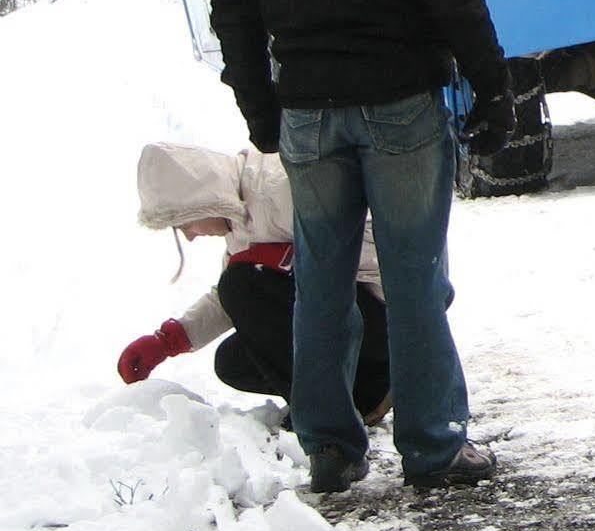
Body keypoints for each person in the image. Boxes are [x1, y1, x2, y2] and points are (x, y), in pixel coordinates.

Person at [211, 0, 513, 496]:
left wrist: (258, 106)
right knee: (413, 274)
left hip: (308, 108)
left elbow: (234, 8)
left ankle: (332, 444)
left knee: (320, 273)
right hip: (400, 103)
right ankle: (433, 443)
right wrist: (491, 82)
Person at [119, 141, 392, 421]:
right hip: (339, 321)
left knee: (242, 282)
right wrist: (169, 340)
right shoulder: (239, 221)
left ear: (197, 202)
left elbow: (376, 239)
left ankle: (323, 417)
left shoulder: (276, 188)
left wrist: (292, 260)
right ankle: (365, 394)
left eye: (183, 225)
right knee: (233, 361)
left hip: (381, 317)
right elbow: (239, 298)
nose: (190, 236)